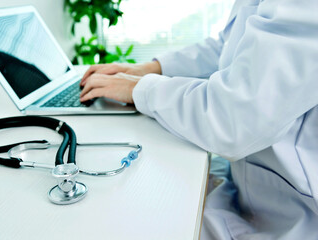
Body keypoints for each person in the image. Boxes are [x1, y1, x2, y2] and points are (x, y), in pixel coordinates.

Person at [80, 0, 318, 239]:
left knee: (125, 217)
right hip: (250, 190)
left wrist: (141, 89)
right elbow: (229, 47)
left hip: (293, 217)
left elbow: (233, 121)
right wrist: (153, 68)